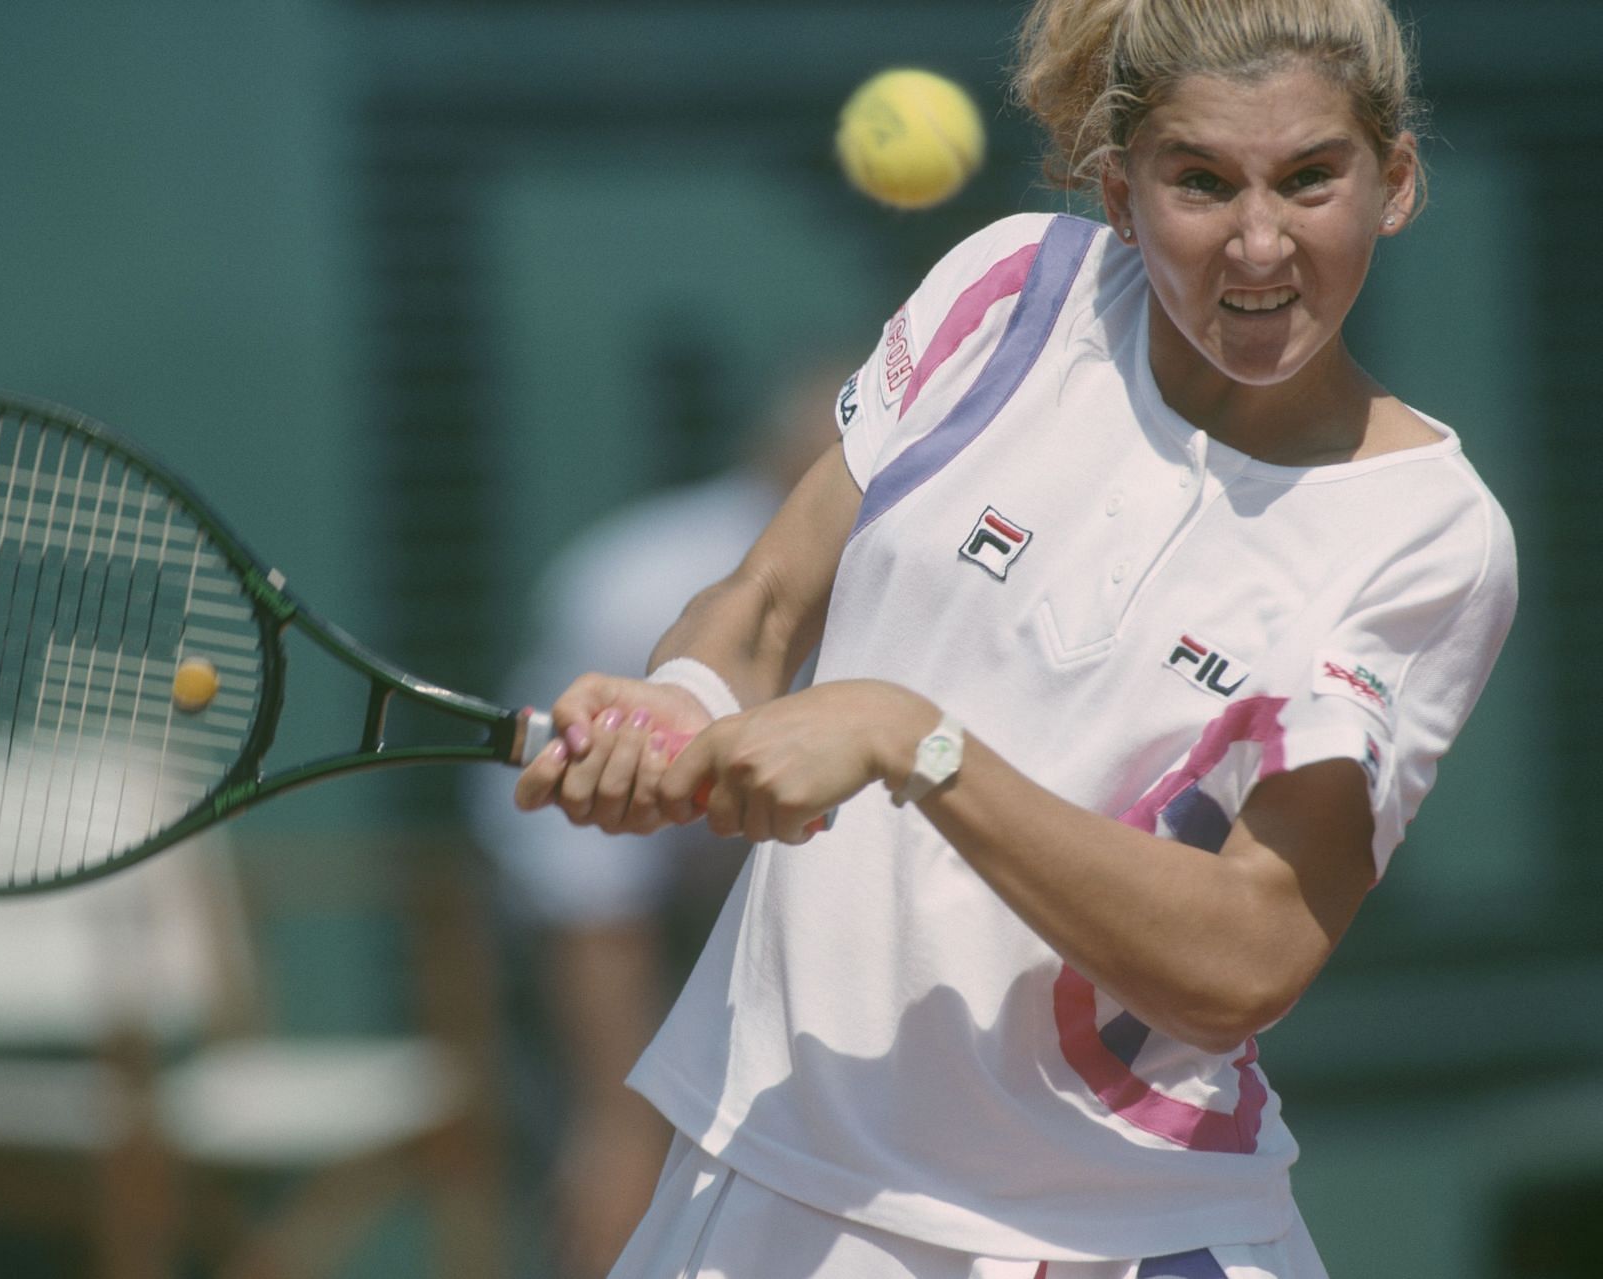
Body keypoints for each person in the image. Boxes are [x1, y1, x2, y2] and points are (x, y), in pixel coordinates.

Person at [510, 0, 1519, 1275]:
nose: (1260, 242)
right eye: (1200, 182)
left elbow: (1248, 955)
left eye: (1311, 178)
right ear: (1118, 187)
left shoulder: (1429, 532)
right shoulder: (1012, 288)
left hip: (1112, 1238)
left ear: (1398, 183)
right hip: (760, 1170)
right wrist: (689, 693)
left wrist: (913, 743)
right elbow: (764, 600)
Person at [469, 362, 844, 1278]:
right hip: (610, 941)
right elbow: (590, 899)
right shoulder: (637, 587)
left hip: (803, 929)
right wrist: (613, 1122)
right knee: (614, 1207)